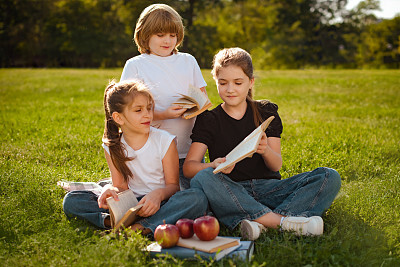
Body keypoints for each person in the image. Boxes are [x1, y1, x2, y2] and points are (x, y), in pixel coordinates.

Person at [183, 48, 341, 240]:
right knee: (204, 177)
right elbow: (189, 168)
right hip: (232, 189)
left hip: (270, 189)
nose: (230, 89)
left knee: (328, 176)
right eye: (223, 83)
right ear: (215, 81)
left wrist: (265, 150)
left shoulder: (265, 111)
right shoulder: (210, 119)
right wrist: (213, 165)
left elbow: (276, 165)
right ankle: (284, 223)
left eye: (238, 82)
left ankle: (259, 221)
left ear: (251, 82)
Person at [63, 80, 207, 232]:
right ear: (119, 118)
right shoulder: (112, 146)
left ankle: (138, 227)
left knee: (196, 198)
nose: (147, 115)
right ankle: (114, 222)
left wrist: (157, 195)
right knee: (72, 200)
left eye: (149, 108)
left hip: (162, 203)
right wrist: (110, 190)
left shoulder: (165, 141)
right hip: (130, 205)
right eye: (138, 110)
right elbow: (121, 187)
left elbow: (173, 186)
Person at [120, 4, 207, 190]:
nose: (167, 40)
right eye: (160, 35)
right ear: (145, 35)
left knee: (197, 195)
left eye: (172, 35)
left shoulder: (188, 61)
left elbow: (202, 98)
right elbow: (128, 113)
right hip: (152, 155)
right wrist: (164, 113)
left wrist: (193, 108)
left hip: (188, 153)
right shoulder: (136, 65)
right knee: (163, 193)